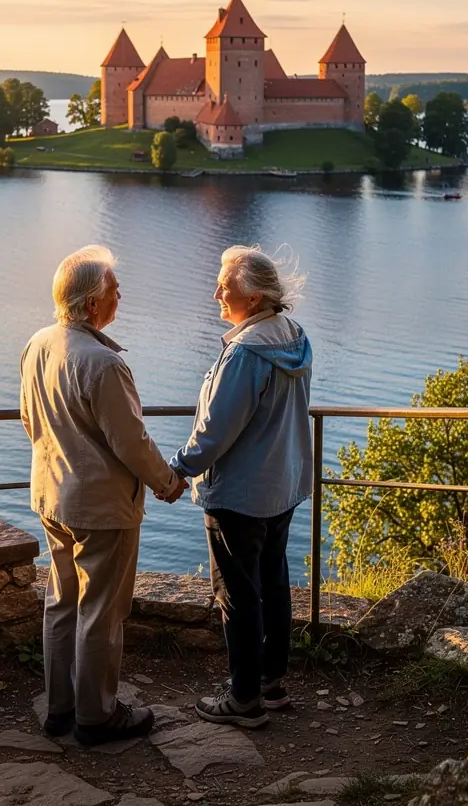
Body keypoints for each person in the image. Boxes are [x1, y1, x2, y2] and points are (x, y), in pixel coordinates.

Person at [20, 245, 188, 747]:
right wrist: (167, 481)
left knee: (61, 603)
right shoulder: (102, 364)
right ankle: (96, 717)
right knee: (101, 611)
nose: (121, 295)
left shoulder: (38, 343)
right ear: (92, 304)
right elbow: (131, 442)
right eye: (114, 288)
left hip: (52, 496)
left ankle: (59, 710)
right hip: (101, 507)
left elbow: (29, 418)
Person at [167, 245, 313, 728]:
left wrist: (178, 469)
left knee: (238, 594)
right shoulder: (293, 336)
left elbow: (214, 430)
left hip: (240, 493)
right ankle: (271, 684)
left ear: (251, 299)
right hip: (281, 486)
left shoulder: (246, 354)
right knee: (273, 584)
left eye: (224, 288)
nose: (215, 295)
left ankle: (243, 699)